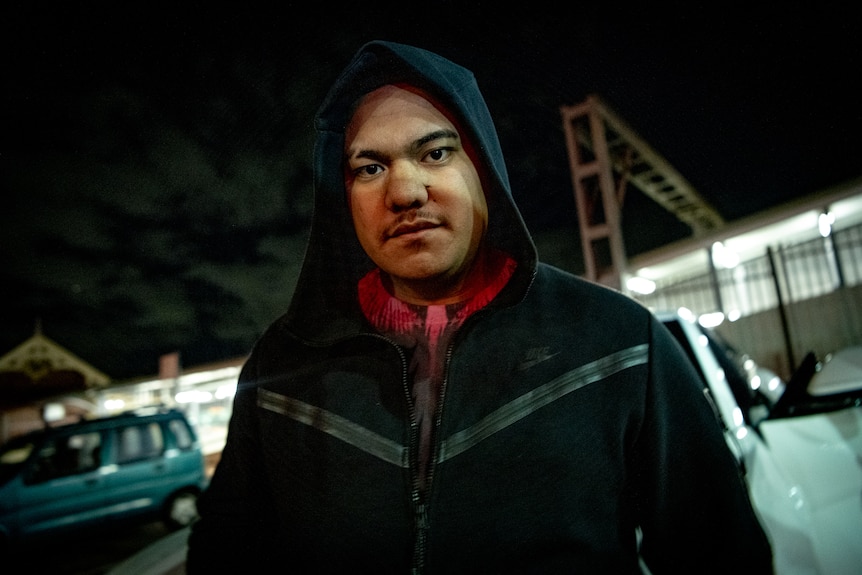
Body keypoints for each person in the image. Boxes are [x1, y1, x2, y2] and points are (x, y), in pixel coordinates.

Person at [187, 41, 773, 574]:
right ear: (343, 198)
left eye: (436, 153)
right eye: (369, 168)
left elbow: (719, 554)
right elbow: (227, 554)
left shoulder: (615, 343)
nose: (405, 191)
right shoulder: (284, 367)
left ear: (485, 170)